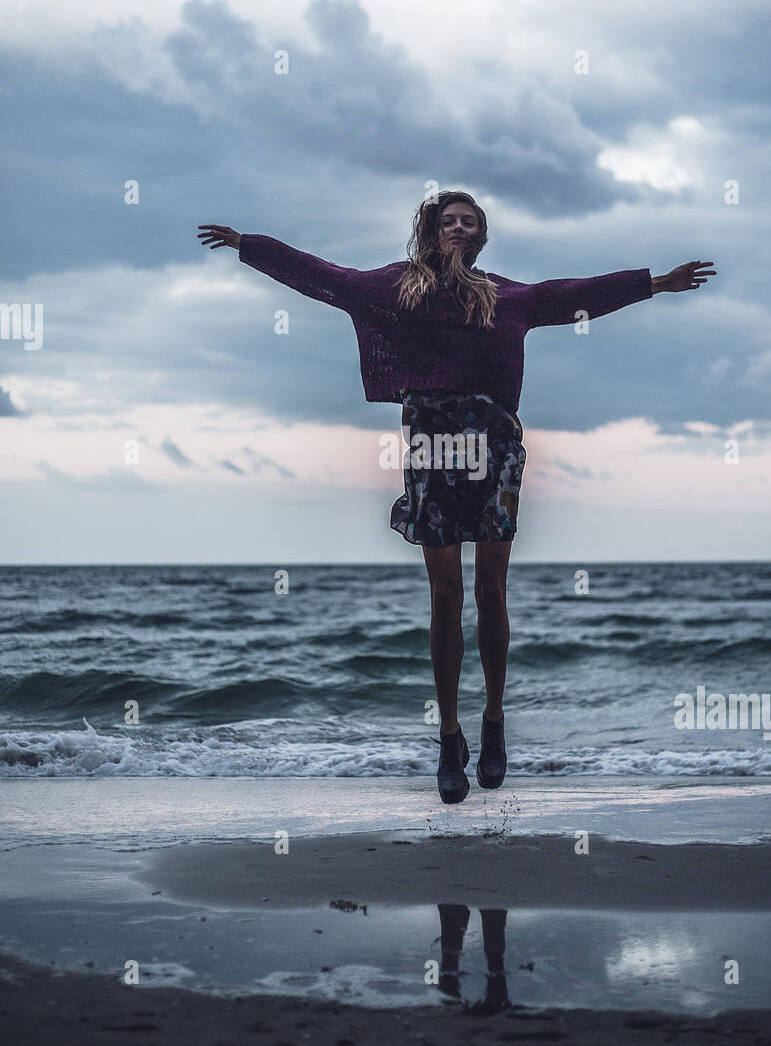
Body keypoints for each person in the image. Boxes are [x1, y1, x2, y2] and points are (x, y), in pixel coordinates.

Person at [198, 193, 714, 804]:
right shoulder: (394, 288)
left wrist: (652, 284)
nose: (460, 227)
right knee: (444, 592)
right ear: (430, 229)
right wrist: (247, 246)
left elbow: (570, 294)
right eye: (449, 220)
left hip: (493, 442)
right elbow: (322, 277)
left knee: (491, 588)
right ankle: (449, 735)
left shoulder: (506, 296)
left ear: (482, 234)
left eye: (470, 220)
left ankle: (493, 721)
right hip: (431, 445)